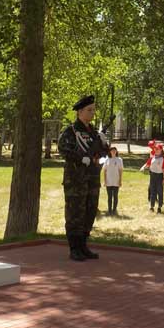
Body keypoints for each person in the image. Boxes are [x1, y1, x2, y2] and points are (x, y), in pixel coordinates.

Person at [58, 94, 107, 262]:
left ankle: (84, 245)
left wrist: (104, 144)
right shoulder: (71, 131)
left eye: (94, 110)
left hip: (92, 178)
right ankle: (74, 248)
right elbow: (63, 149)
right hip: (75, 180)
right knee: (75, 212)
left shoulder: (93, 132)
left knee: (89, 211)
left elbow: (102, 153)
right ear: (80, 112)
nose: (93, 113)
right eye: (89, 110)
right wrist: (81, 158)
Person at [147, 143, 164, 213]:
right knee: (153, 191)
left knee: (160, 192)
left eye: (158, 149)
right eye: (155, 149)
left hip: (159, 176)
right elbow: (148, 164)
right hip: (153, 176)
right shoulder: (152, 157)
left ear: (161, 150)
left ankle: (159, 206)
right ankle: (152, 206)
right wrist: (144, 168)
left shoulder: (163, 159)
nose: (156, 150)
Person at [102, 146, 123, 215]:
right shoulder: (107, 160)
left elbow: (120, 171)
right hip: (108, 181)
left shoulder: (119, 159)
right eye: (112, 150)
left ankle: (114, 209)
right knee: (109, 197)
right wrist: (105, 181)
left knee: (115, 196)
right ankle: (109, 210)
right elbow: (104, 171)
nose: (113, 151)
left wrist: (120, 180)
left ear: (116, 151)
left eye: (115, 150)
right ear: (110, 152)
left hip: (116, 181)